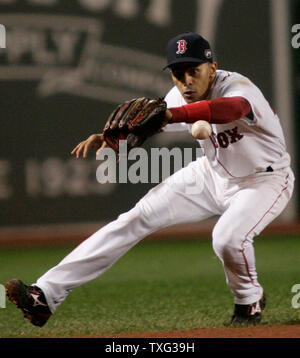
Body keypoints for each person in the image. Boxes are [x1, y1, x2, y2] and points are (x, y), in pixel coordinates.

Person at [6, 32, 294, 327]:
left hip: (264, 180)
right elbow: (146, 124)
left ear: (213, 68)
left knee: (228, 238)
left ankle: (248, 300)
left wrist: (172, 114)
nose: (186, 81)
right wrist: (114, 137)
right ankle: (44, 296)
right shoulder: (178, 96)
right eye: (177, 73)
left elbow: (232, 109)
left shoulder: (238, 88)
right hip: (211, 174)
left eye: (194, 71)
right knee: (134, 219)